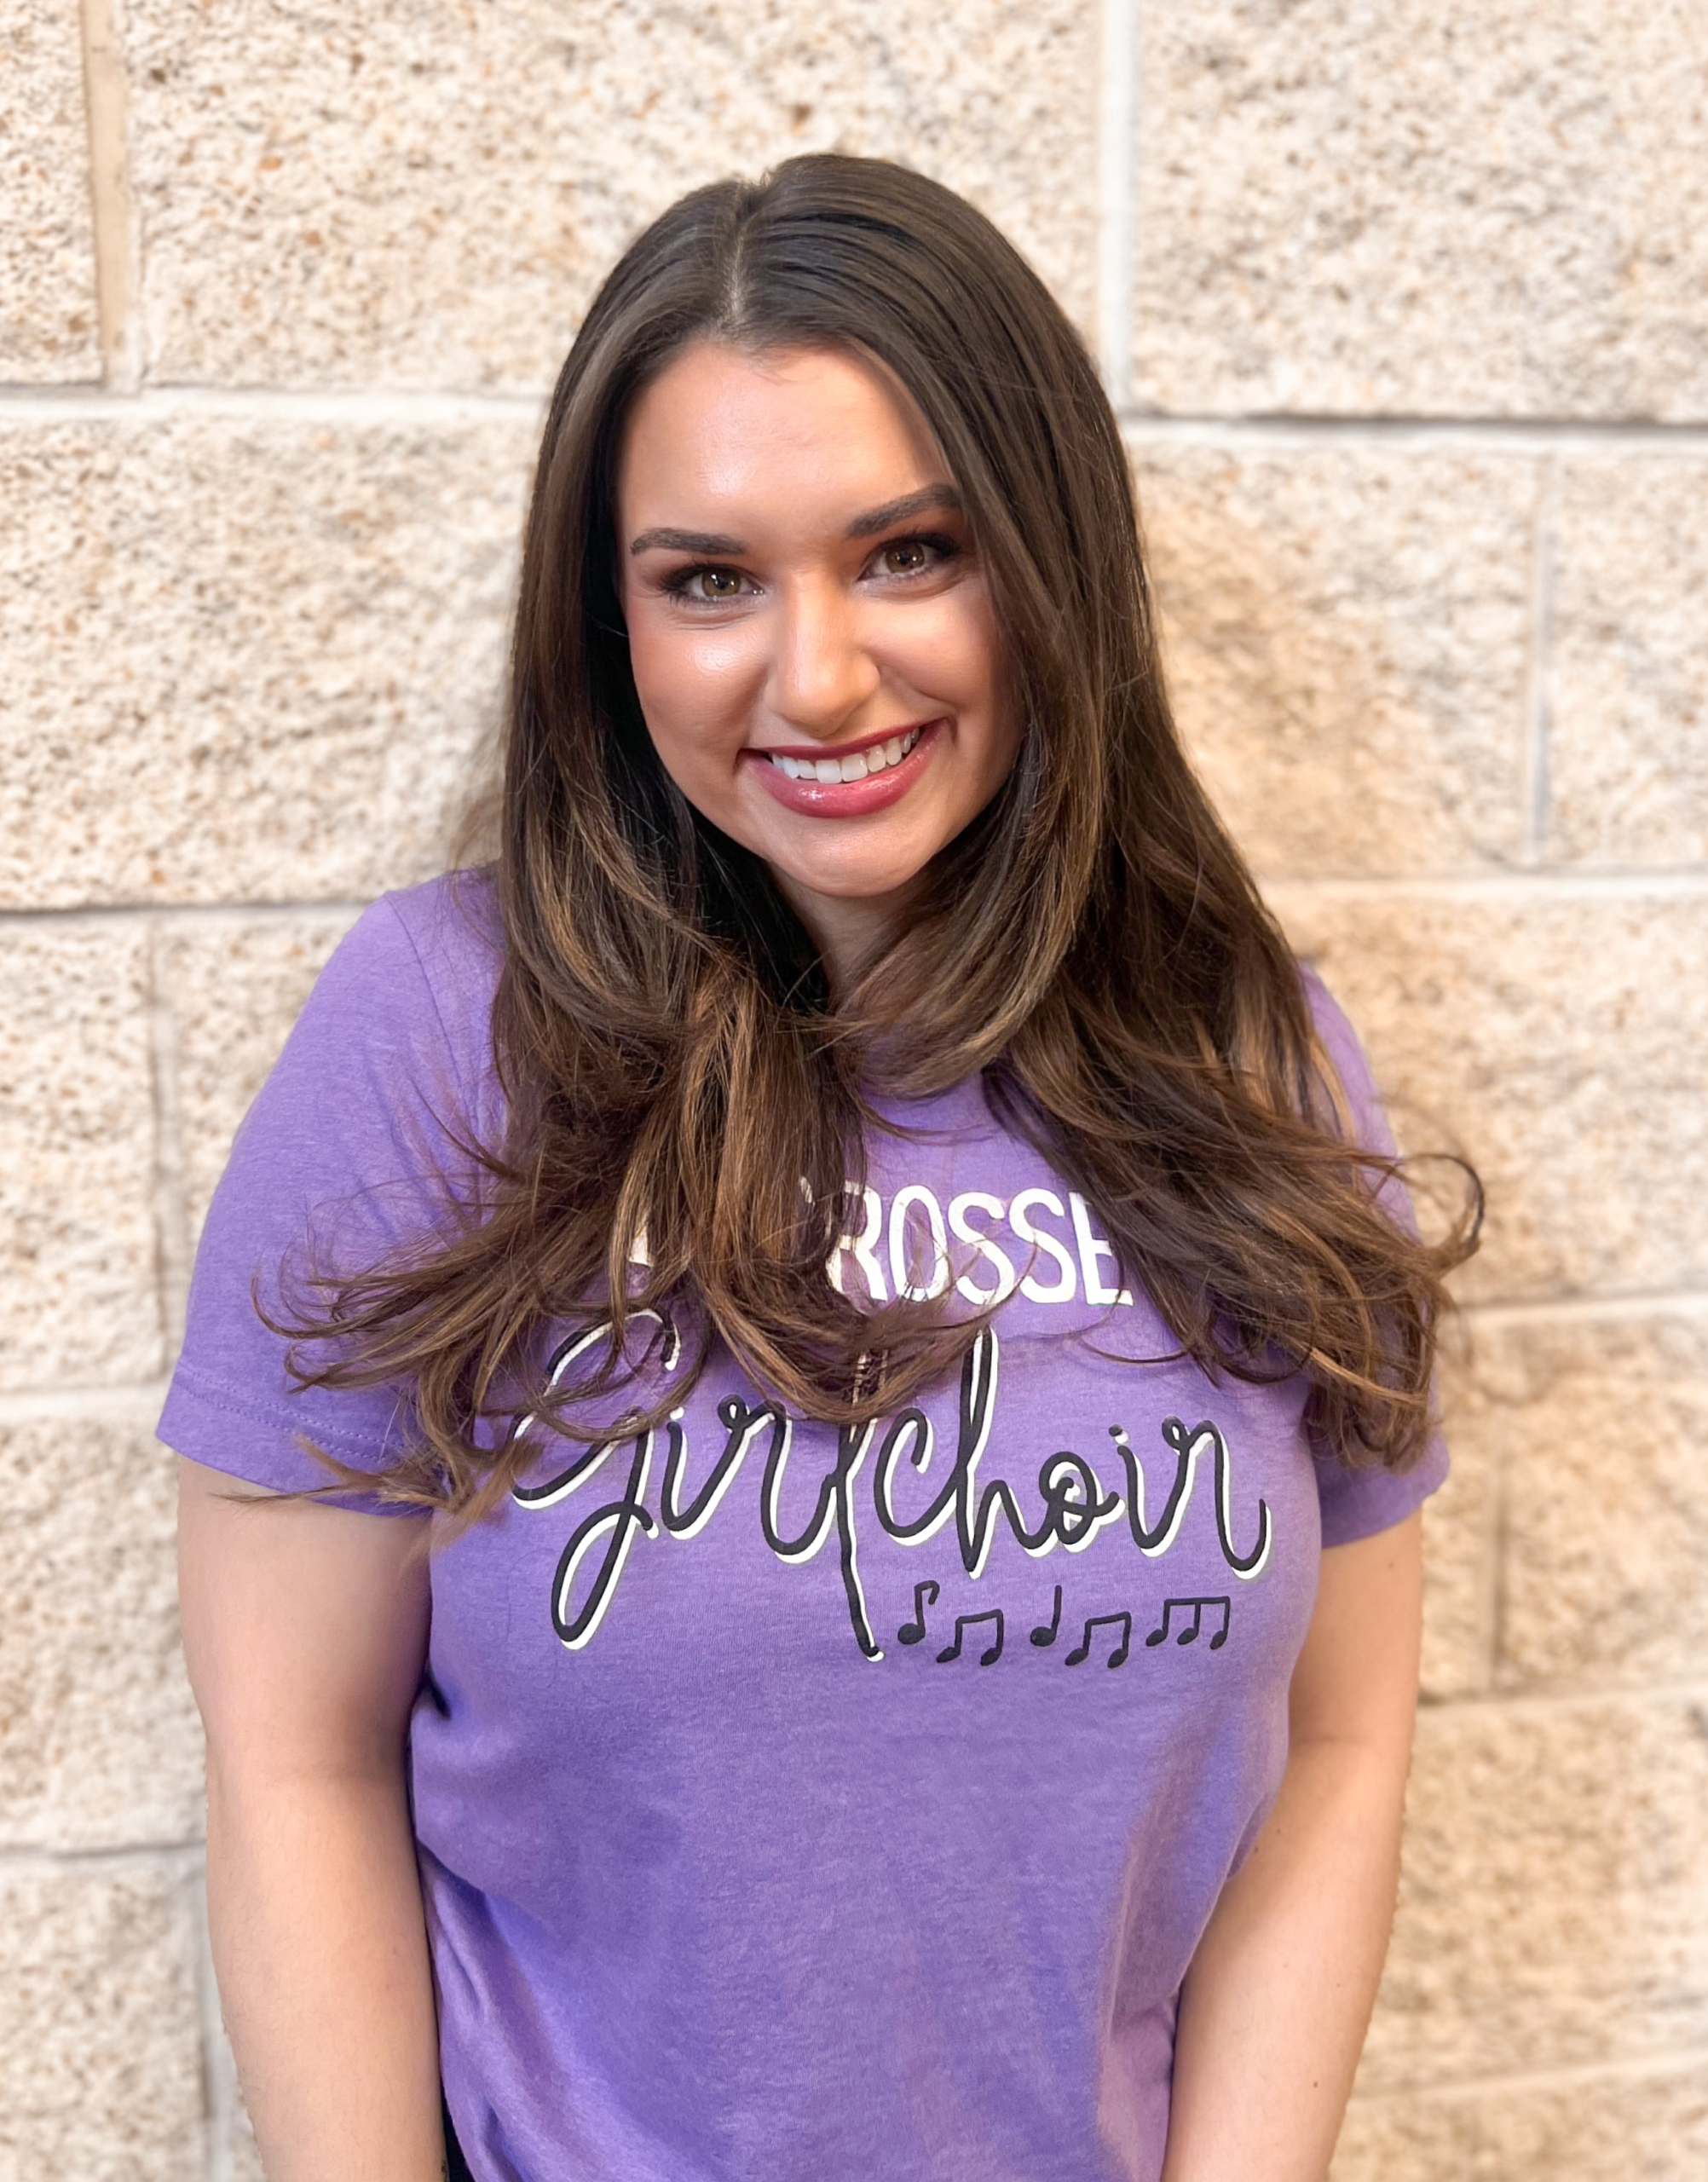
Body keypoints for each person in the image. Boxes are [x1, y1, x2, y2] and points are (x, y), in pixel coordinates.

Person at [168, 155, 1475, 2182]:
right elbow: (294, 1760)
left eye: (909, 552)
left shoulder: (1249, 1047)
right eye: (709, 579)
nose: (821, 675)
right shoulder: (439, 1032)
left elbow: (1340, 1738)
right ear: (608, 622)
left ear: (1047, 559)